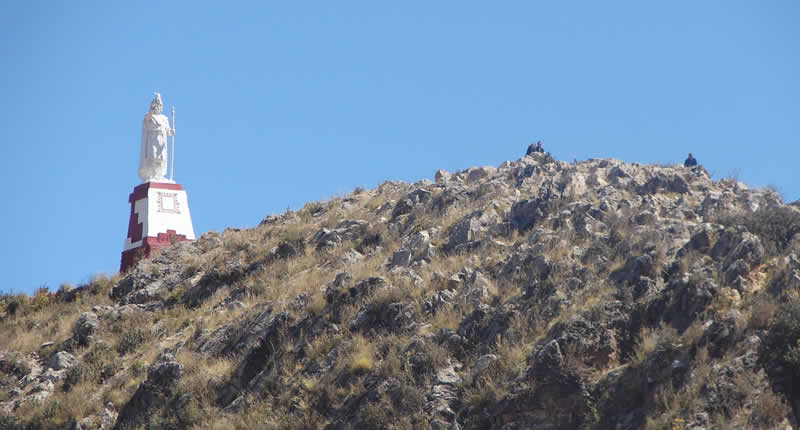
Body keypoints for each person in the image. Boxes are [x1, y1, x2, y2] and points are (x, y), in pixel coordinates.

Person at [138, 93, 174, 182]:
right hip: (153, 138)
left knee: (161, 158)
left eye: (159, 106)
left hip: (162, 139)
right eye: (156, 106)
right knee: (153, 156)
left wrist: (171, 131)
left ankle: (159, 175)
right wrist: (151, 107)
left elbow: (168, 129)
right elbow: (147, 118)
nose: (158, 108)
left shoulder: (164, 118)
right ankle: (152, 175)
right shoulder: (150, 116)